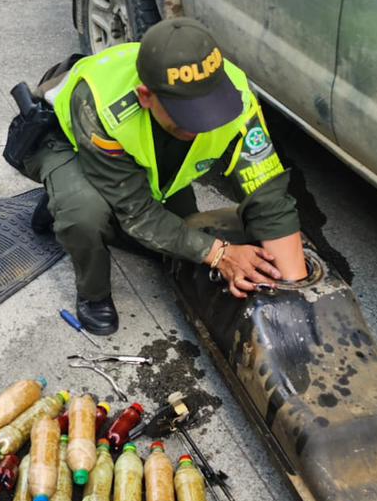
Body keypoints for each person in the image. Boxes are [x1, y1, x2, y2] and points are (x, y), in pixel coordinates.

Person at [19, 18, 307, 336]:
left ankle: (62, 201)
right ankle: (92, 292)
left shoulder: (236, 96)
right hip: (61, 140)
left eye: (208, 110)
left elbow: (268, 192)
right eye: (188, 116)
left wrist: (294, 295)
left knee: (180, 236)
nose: (203, 126)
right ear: (146, 96)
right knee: (85, 213)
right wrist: (220, 253)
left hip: (130, 153)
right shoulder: (103, 103)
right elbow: (138, 214)